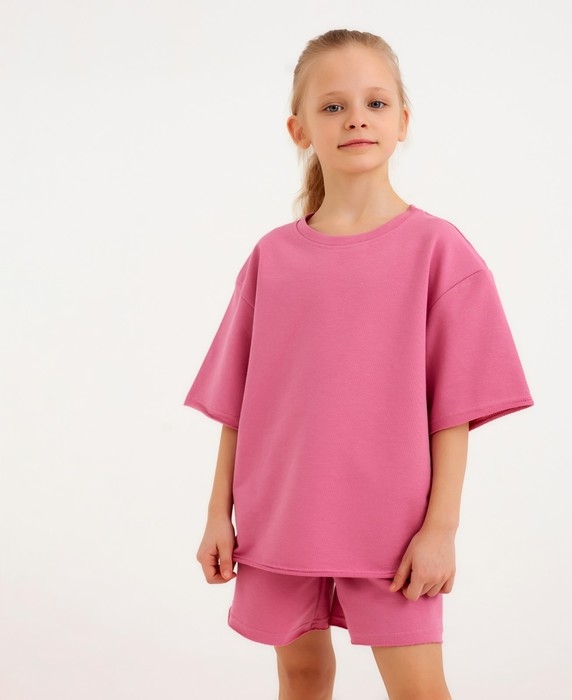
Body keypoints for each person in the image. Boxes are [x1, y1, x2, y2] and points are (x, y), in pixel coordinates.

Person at [184, 28, 533, 700]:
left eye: (375, 103)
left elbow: (454, 411)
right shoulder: (272, 258)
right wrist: (217, 514)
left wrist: (441, 529)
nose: (356, 119)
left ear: (403, 121)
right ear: (299, 129)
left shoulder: (439, 251)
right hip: (280, 517)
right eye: (333, 106)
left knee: (419, 689)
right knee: (301, 676)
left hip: (391, 531)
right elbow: (238, 403)